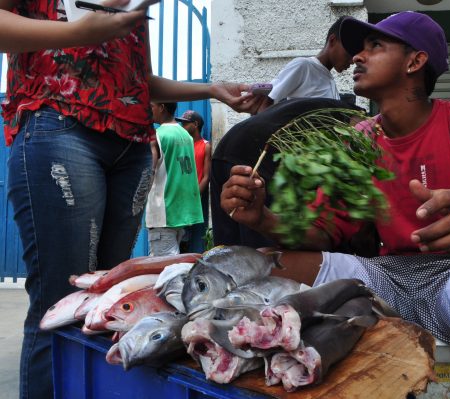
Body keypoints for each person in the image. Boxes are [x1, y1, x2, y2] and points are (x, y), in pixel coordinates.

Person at [221, 12, 450, 398]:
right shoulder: (357, 139)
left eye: (375, 46)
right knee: (257, 263)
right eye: (360, 49)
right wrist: (262, 217)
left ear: (415, 62)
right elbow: (327, 231)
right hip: (381, 278)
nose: (358, 57)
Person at [0, 1, 258, 397]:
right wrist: (76, 33)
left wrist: (210, 89)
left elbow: (136, 80)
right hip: (59, 124)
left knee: (107, 303)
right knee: (62, 304)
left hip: (131, 144)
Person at [211, 97, 361, 248]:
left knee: (230, 237)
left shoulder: (323, 105)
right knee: (262, 247)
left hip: (227, 145)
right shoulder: (360, 123)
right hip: (258, 152)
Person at [253, 16, 353, 113]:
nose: (352, 61)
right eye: (349, 52)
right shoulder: (303, 66)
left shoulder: (328, 78)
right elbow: (266, 104)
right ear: (332, 41)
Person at [146, 103, 203, 255]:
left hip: (164, 213)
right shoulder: (185, 135)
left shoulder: (158, 135)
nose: (149, 109)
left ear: (162, 107)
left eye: (152, 106)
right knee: (174, 264)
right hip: (182, 212)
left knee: (163, 271)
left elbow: (148, 174)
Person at [176, 109, 211, 252]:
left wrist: (194, 196)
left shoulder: (206, 146)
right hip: (178, 198)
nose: (182, 127)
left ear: (195, 124)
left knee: (189, 237)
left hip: (194, 197)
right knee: (177, 236)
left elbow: (207, 176)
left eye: (185, 123)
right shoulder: (181, 145)